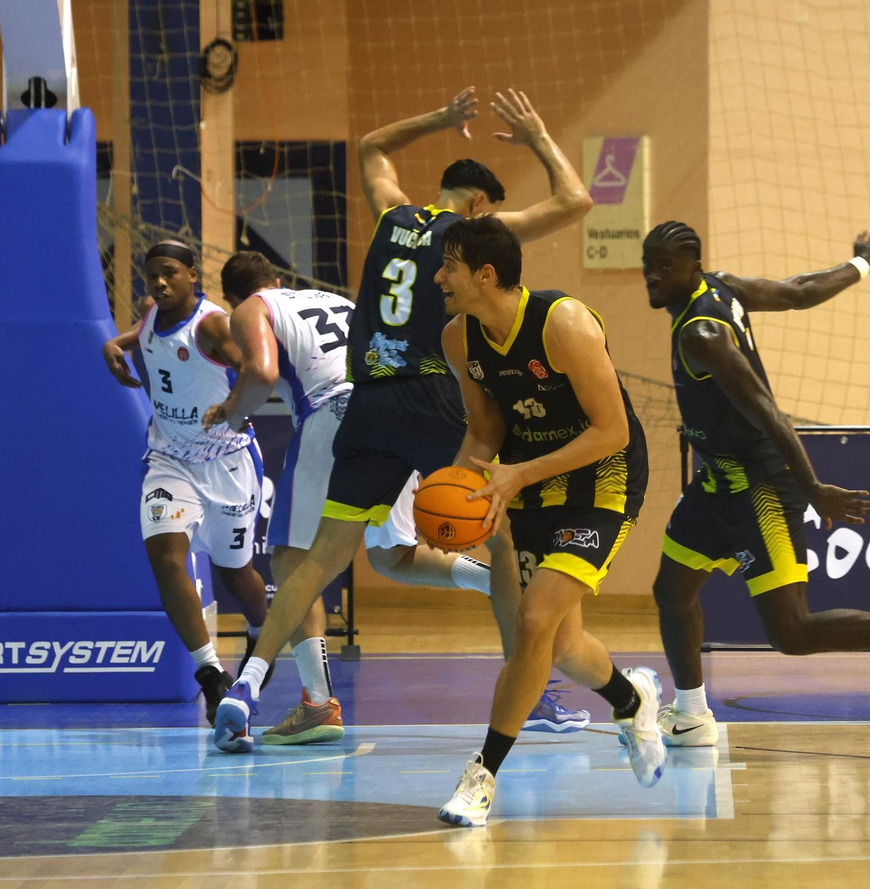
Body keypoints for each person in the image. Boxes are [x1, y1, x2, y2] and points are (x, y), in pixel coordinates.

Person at [212, 87, 595, 750]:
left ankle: (245, 684)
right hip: (431, 397)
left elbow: (372, 148)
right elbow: (576, 201)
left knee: (317, 558)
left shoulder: (392, 215)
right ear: (480, 207)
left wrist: (440, 118)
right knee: (505, 544)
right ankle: (529, 694)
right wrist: (535, 134)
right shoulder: (471, 237)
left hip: (367, 401)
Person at [638, 221, 870, 746]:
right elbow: (800, 292)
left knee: (792, 633)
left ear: (692, 266)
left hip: (760, 485)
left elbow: (766, 410)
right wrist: (863, 262)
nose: (652, 274)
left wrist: (812, 487)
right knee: (672, 591)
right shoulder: (722, 287)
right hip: (716, 482)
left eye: (665, 265)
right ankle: (691, 714)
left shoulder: (702, 332)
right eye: (648, 262)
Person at [434, 216, 664, 828]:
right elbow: (485, 430)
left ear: (485, 274)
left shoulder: (564, 324)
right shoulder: (459, 338)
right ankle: (629, 696)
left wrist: (517, 476)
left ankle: (482, 775)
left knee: (534, 620)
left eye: (448, 266)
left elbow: (611, 430)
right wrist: (456, 491)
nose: (439, 278)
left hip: (602, 474)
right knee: (560, 644)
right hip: (531, 474)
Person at [100, 240, 270, 725]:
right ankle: (211, 674)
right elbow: (144, 331)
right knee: (166, 556)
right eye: (151, 273)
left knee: (236, 574)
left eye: (169, 273)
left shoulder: (214, 324)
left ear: (192, 275)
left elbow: (257, 372)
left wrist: (233, 407)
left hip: (228, 461)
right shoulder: (153, 310)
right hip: (170, 458)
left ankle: (262, 633)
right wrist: (117, 342)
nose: (158, 282)